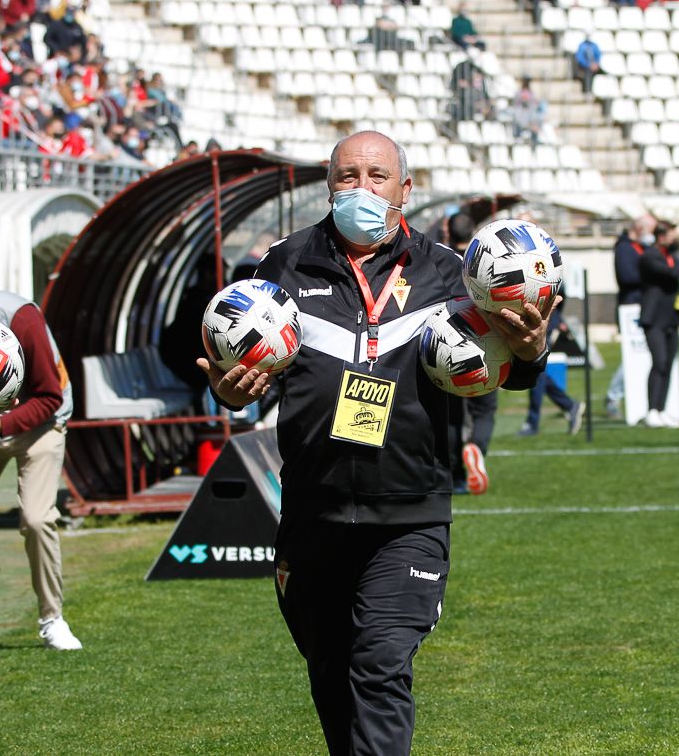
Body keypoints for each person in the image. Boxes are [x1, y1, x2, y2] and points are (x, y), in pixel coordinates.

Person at [198, 131, 552, 755]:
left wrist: (529, 352)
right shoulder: (283, 263)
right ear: (329, 187)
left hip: (409, 513)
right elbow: (248, 373)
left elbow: (507, 363)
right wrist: (231, 394)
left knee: (380, 663)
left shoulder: (447, 273)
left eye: (377, 176)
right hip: (313, 510)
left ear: (404, 190)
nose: (361, 189)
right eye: (347, 177)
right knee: (330, 670)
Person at [0, 278, 83, 652]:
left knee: (37, 519)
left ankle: (52, 618)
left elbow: (49, 396)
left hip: (40, 426)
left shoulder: (21, 318)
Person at [447, 212, 495, 495]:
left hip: (452, 344)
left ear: (448, 232)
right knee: (485, 409)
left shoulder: (442, 260)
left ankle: (456, 476)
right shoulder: (484, 260)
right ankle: (477, 446)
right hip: (488, 344)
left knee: (452, 413)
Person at [606, 213, 655, 418]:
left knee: (646, 354)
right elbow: (627, 276)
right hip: (631, 307)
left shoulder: (640, 247)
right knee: (632, 355)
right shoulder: (624, 248)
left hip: (644, 305)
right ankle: (613, 395)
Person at [638, 221, 679, 428]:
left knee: (668, 365)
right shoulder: (649, 257)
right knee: (659, 362)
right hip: (654, 319)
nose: (674, 238)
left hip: (671, 319)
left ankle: (661, 409)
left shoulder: (672, 256)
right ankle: (651, 410)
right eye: (671, 234)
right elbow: (671, 273)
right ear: (661, 236)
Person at [517, 304, 584, 437]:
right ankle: (570, 406)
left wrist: (557, 319)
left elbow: (558, 291)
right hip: (537, 321)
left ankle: (532, 423)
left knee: (535, 375)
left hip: (544, 323)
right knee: (537, 375)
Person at [508, 76, 547, 144]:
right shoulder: (519, 92)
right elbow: (516, 103)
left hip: (530, 115)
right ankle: (518, 136)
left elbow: (534, 103)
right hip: (521, 114)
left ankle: (534, 137)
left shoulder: (531, 93)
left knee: (537, 118)